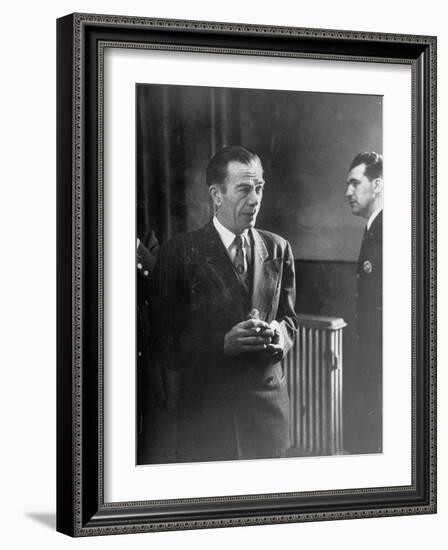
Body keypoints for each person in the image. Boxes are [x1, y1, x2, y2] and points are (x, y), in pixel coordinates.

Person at [147, 145, 298, 463]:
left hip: (268, 419)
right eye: (244, 189)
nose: (255, 200)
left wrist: (276, 335)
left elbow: (290, 322)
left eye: (259, 188)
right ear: (216, 195)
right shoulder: (179, 253)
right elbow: (161, 343)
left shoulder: (278, 249)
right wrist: (222, 344)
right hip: (210, 419)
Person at [346, 151, 383, 453]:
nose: (348, 192)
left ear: (378, 185)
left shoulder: (387, 232)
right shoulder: (373, 229)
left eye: (355, 184)